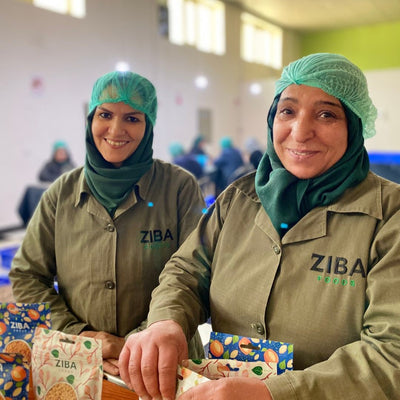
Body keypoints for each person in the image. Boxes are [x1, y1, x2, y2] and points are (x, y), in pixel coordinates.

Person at [119, 53, 400, 400]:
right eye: (288, 111)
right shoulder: (239, 198)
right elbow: (186, 271)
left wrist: (276, 394)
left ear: (354, 126)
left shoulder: (389, 218)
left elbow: (392, 354)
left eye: (326, 114)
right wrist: (167, 321)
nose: (300, 131)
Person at [9, 70, 205, 376]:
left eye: (132, 118)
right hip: (80, 362)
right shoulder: (61, 194)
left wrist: (140, 340)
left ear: (148, 125)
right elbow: (26, 275)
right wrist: (81, 335)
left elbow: (194, 275)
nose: (116, 129)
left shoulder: (178, 188)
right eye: (105, 114)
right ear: (90, 119)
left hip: (163, 364)